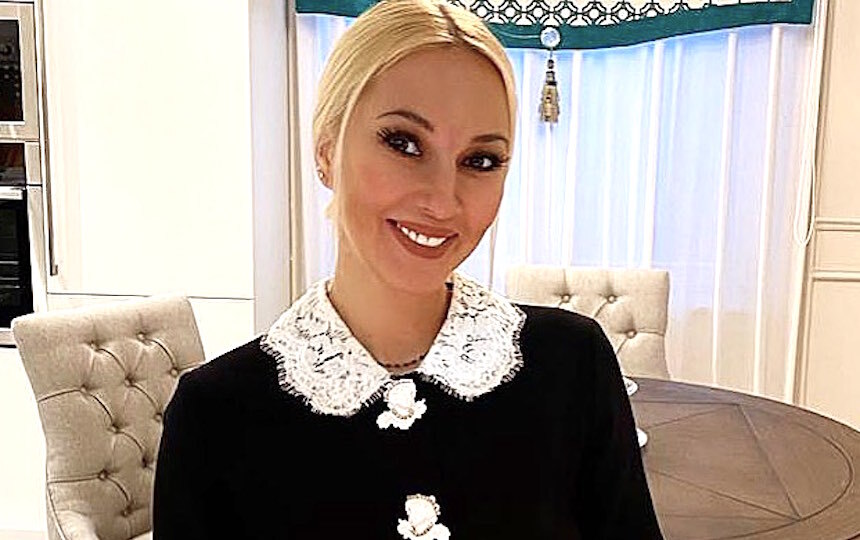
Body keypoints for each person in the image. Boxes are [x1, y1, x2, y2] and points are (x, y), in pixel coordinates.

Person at [153, 0, 664, 538]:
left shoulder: (571, 364)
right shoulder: (216, 414)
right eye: (404, 144)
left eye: (480, 161)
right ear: (326, 151)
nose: (443, 202)